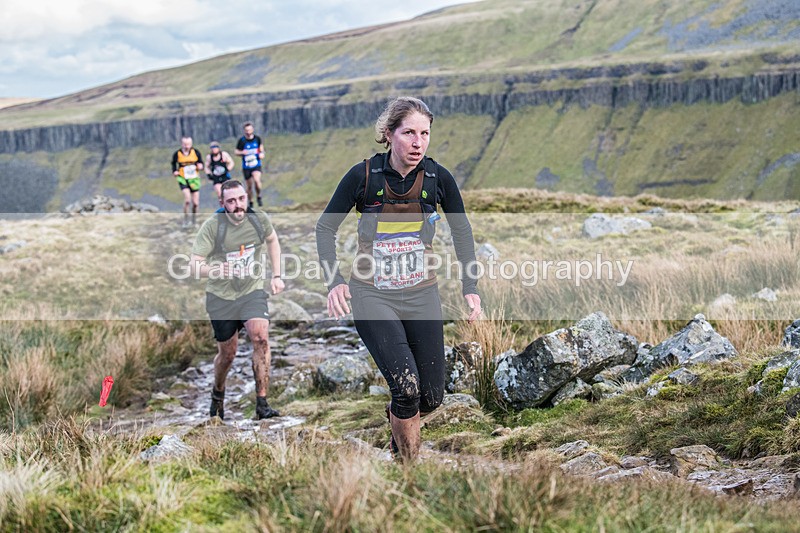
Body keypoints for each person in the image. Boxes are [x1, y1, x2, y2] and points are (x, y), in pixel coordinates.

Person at [315, 96, 482, 463]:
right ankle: (408, 471)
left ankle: (397, 427)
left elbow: (462, 232)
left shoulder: (438, 178)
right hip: (372, 295)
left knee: (431, 397)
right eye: (409, 132)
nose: (418, 142)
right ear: (389, 134)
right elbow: (325, 227)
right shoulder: (363, 176)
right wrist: (335, 282)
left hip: (422, 295)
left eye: (425, 133)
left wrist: (471, 288)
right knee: (406, 388)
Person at [190, 180, 285, 421]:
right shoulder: (213, 226)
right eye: (231, 201)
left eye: (241, 199)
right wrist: (217, 270)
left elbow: (273, 240)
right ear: (222, 203)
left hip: (251, 291)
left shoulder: (257, 219)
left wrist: (276, 275)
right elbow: (194, 265)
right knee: (228, 354)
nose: (238, 205)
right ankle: (218, 393)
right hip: (221, 298)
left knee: (260, 337)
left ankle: (262, 403)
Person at [171, 136, 204, 228]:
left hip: (194, 178)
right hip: (183, 178)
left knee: (196, 203)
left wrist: (201, 166)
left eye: (188, 144)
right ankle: (186, 219)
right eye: (185, 144)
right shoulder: (177, 154)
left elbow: (201, 163)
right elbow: (173, 163)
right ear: (182, 144)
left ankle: (194, 219)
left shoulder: (196, 152)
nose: (187, 146)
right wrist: (174, 171)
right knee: (187, 200)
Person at [235, 122, 265, 208]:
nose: (248, 132)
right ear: (244, 131)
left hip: (256, 165)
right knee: (249, 186)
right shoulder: (242, 141)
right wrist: (242, 152)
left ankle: (259, 196)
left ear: (252, 130)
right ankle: (251, 201)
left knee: (257, 181)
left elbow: (261, 149)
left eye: (249, 130)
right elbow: (236, 152)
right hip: (246, 166)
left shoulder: (257, 139)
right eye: (246, 130)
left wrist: (262, 154)